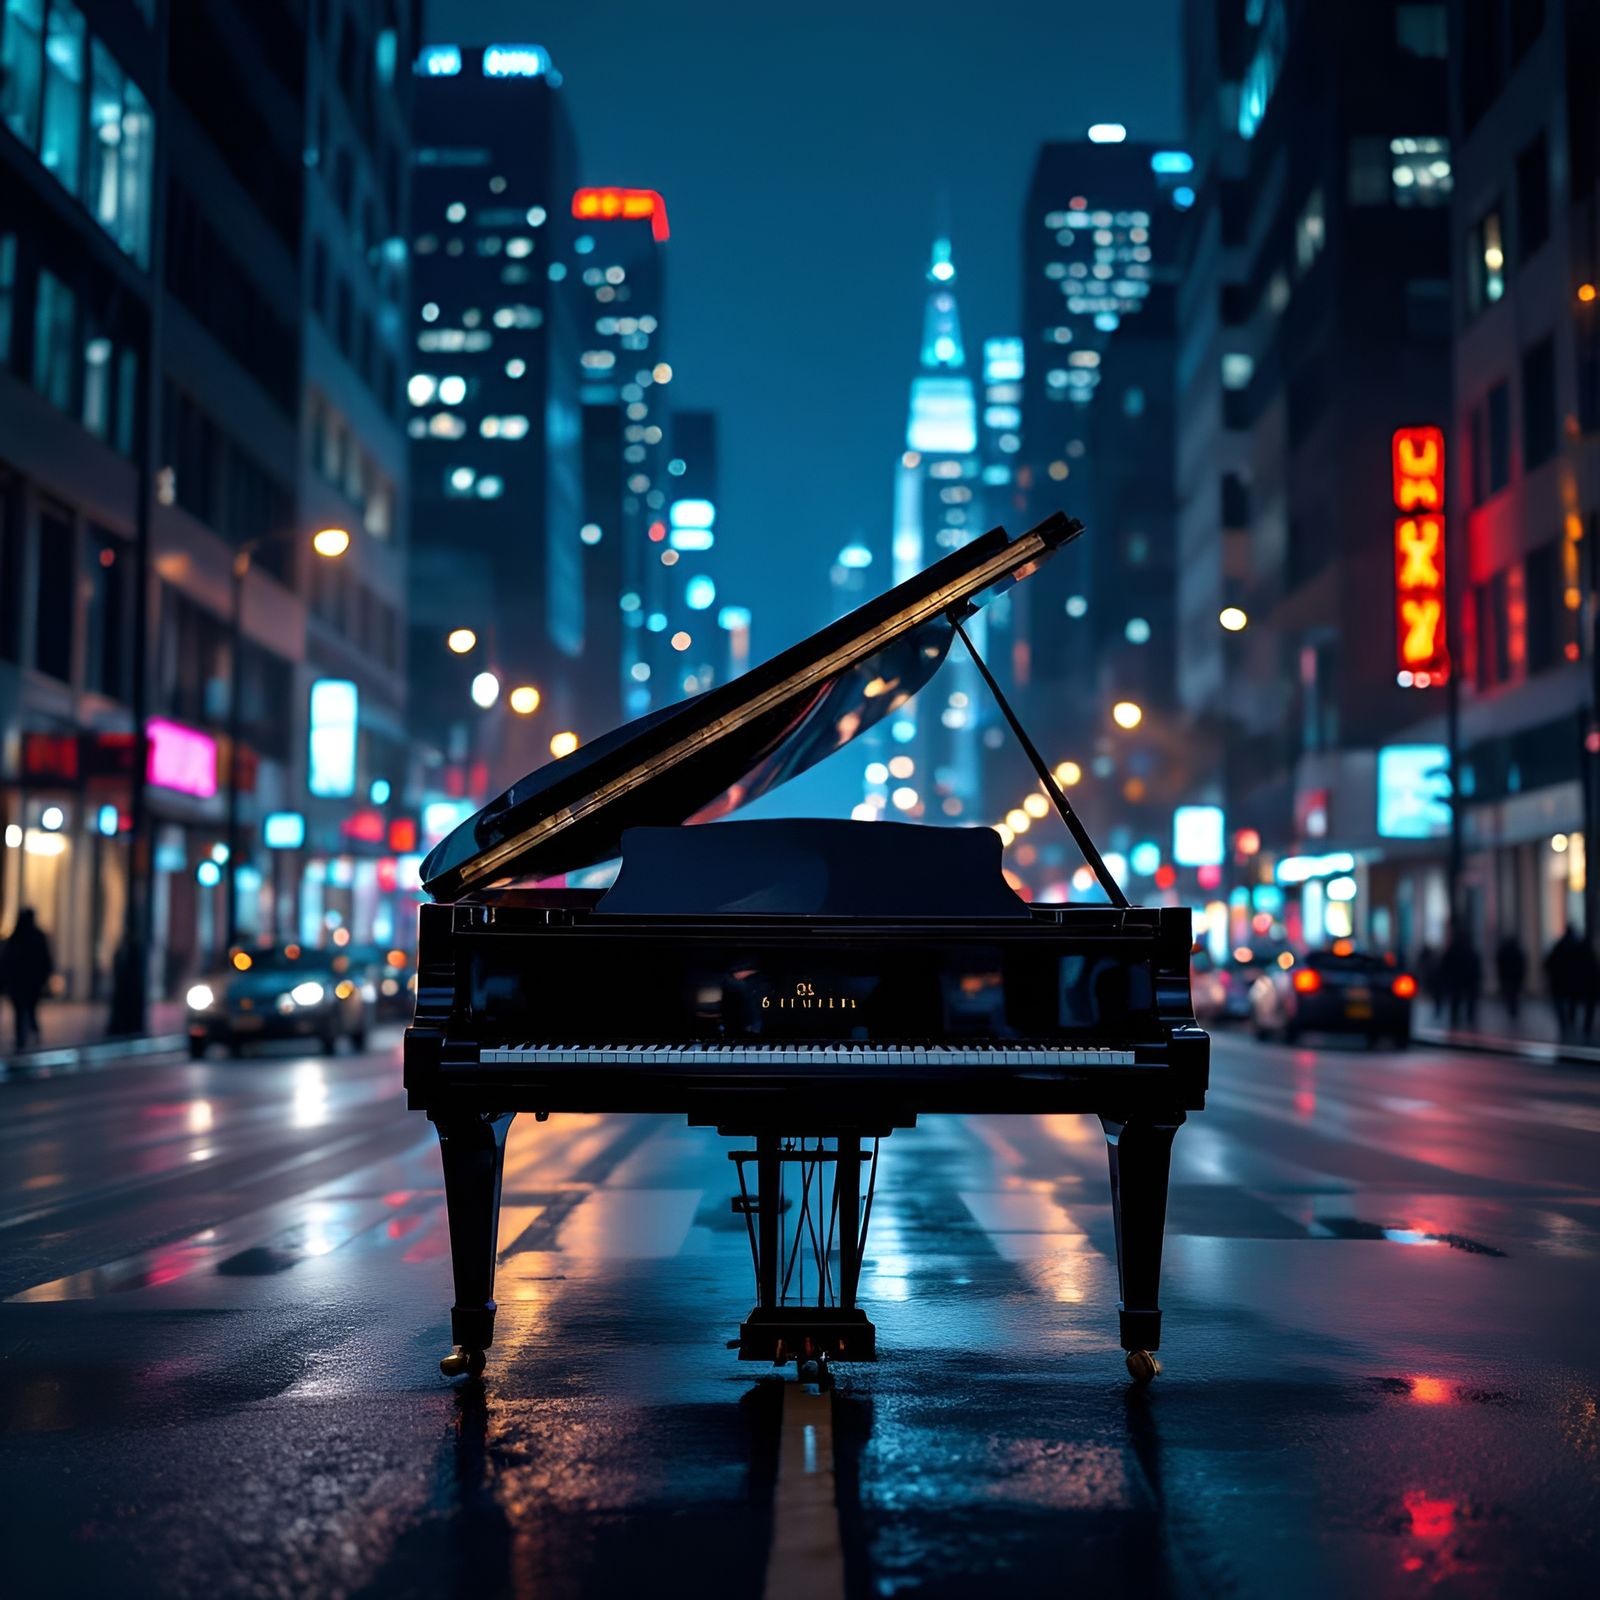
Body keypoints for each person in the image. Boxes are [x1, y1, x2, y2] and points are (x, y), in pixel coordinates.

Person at [0, 908, 54, 1052]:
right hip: (27, 982)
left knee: (25, 1010)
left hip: (22, 983)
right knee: (29, 1009)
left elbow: (7, 960)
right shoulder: (32, 936)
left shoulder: (18, 936)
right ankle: (28, 1034)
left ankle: (25, 1036)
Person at [1440, 926, 1481, 1029]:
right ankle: (1468, 1018)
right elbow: (1475, 964)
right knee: (1467, 1001)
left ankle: (1455, 1019)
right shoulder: (1469, 949)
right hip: (1466, 979)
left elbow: (1445, 964)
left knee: (1456, 1000)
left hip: (1457, 980)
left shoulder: (1453, 950)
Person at [1547, 927, 1583, 1039]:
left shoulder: (1559, 946)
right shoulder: (1577, 947)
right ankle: (1569, 1023)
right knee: (1571, 1003)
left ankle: (1565, 1024)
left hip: (1560, 982)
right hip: (1572, 982)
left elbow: (1549, 963)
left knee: (1561, 1004)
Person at [1495, 934, 1527, 1022]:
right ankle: (1513, 1010)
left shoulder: (1504, 951)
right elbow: (1522, 964)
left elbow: (1500, 963)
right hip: (1515, 977)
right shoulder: (1517, 951)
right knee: (1514, 995)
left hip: (1508, 977)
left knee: (1510, 995)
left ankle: (1512, 1010)